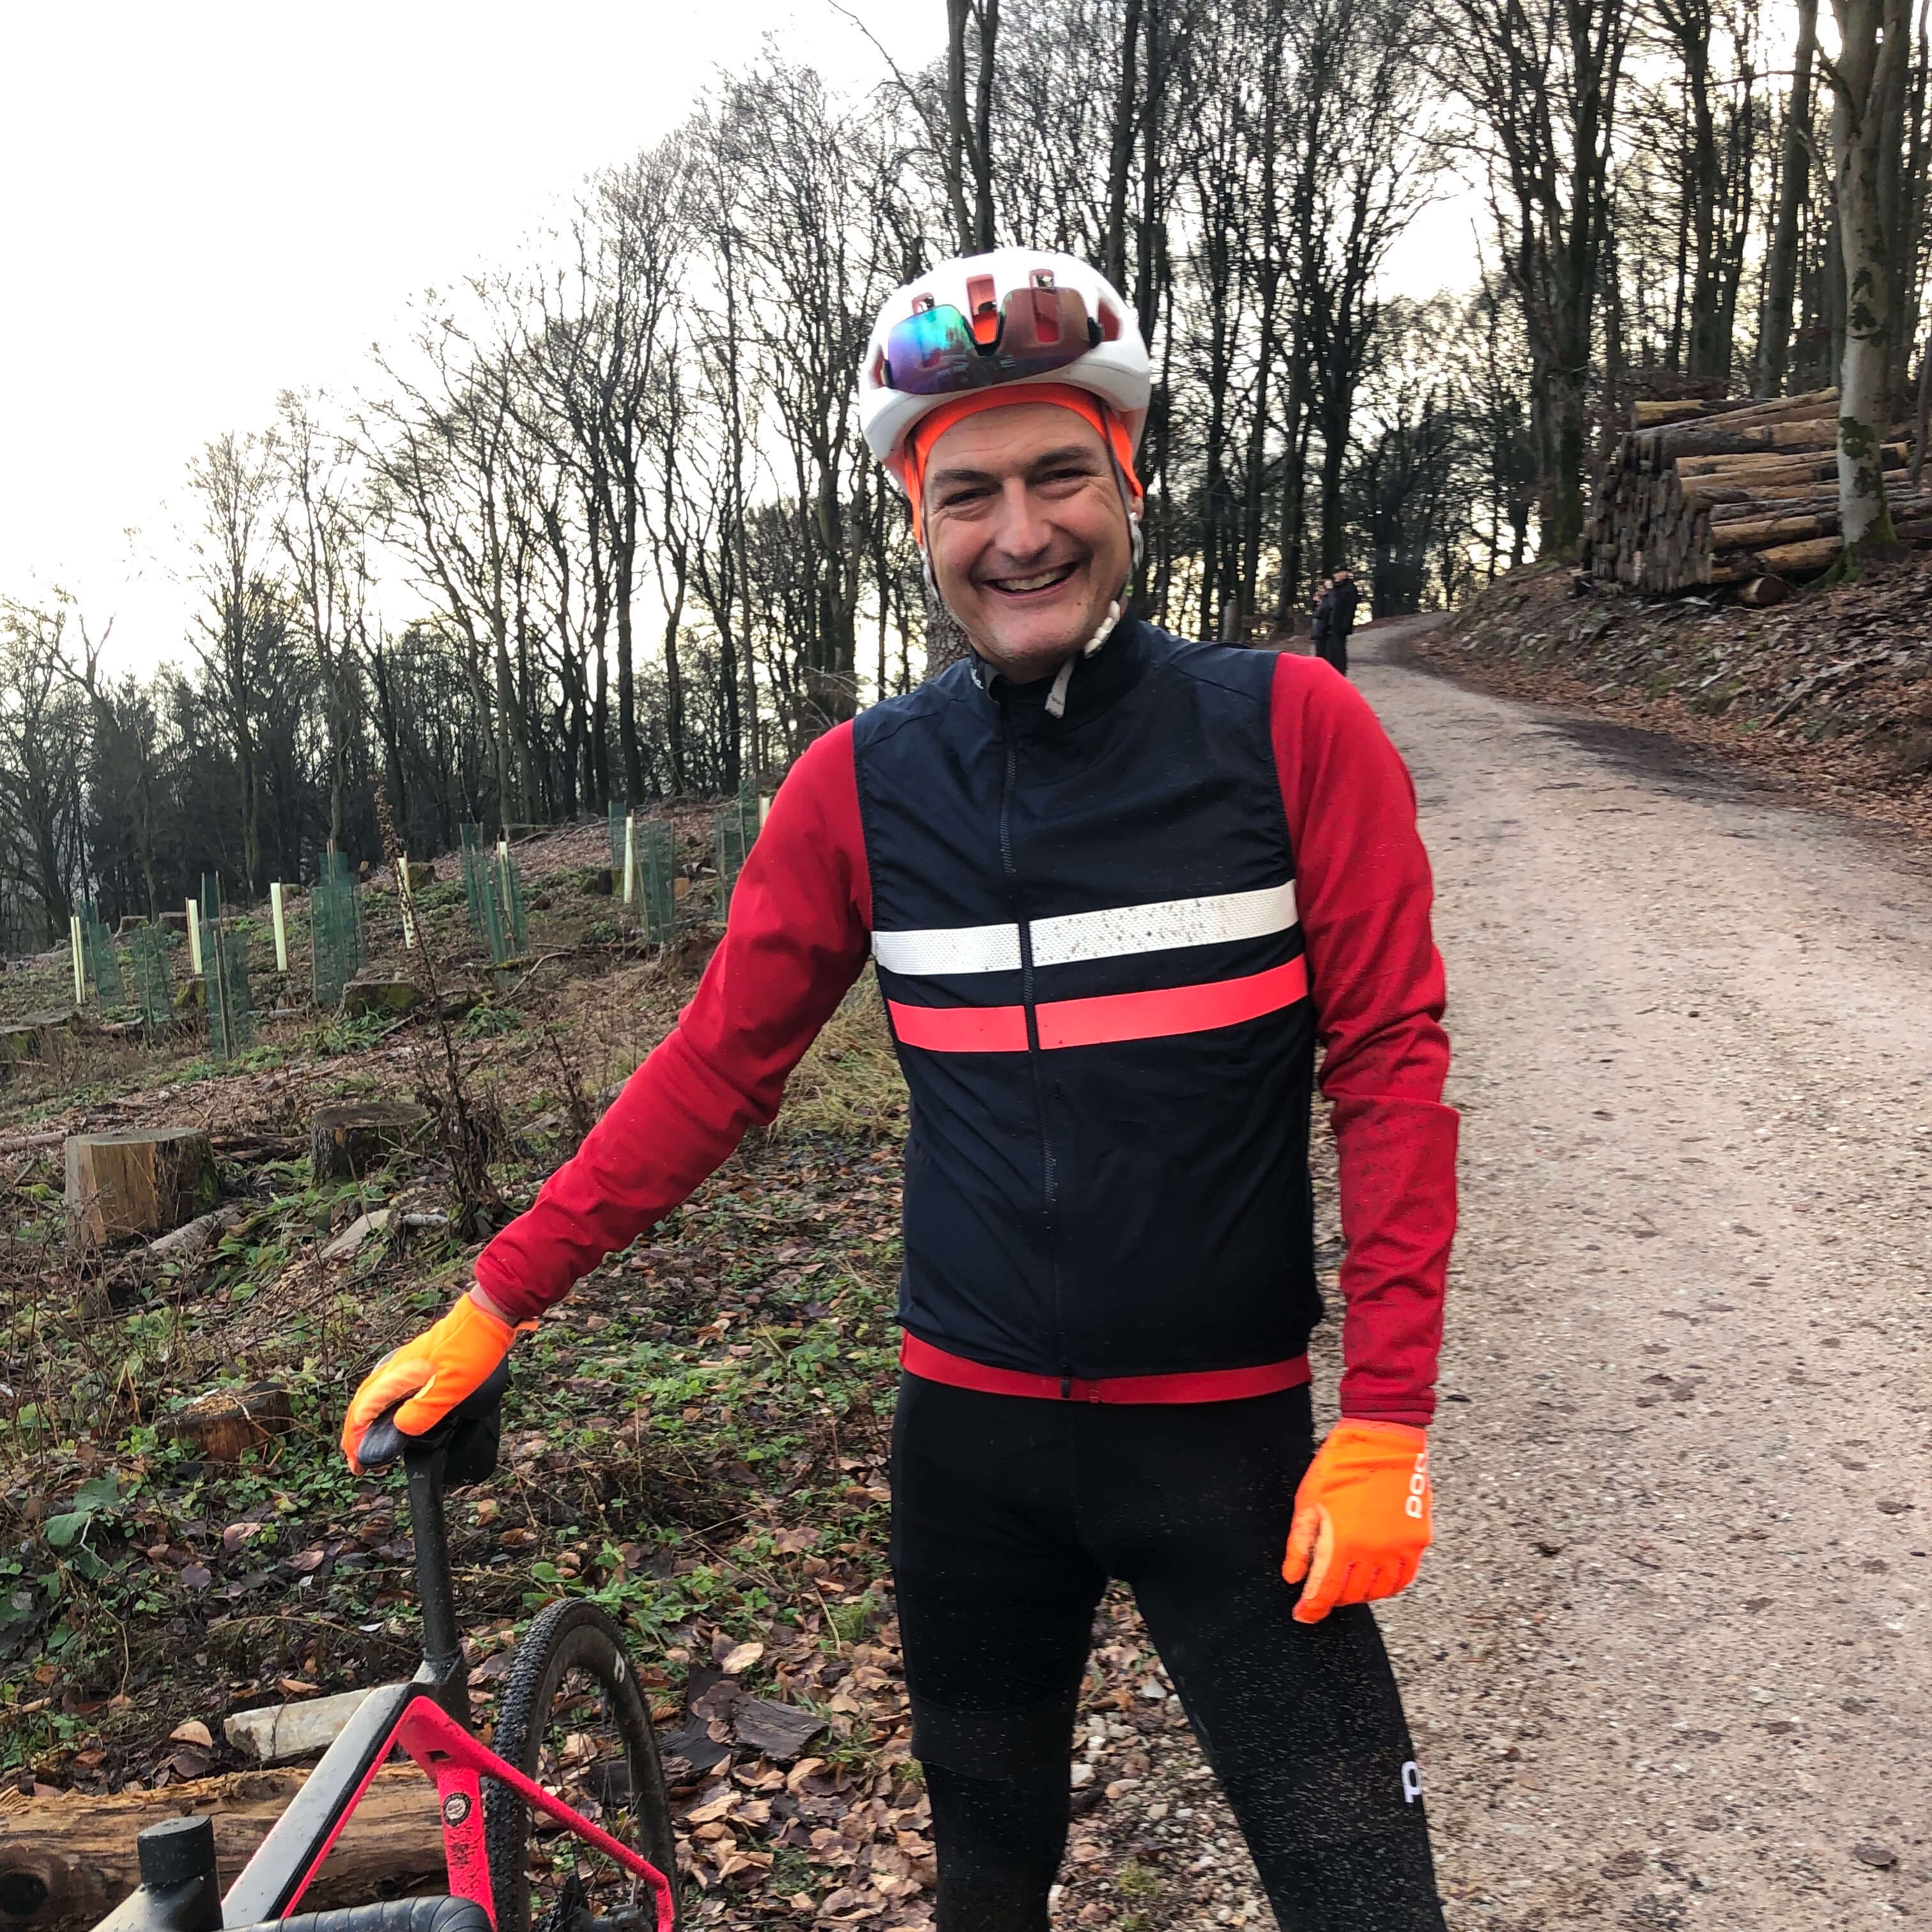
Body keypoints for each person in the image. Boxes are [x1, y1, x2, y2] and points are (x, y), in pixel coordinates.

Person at [342, 249, 1457, 1932]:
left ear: (1129, 478)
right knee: (986, 1891)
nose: (1021, 533)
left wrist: (1386, 1421)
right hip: (975, 1467)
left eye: (1061, 473)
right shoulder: (864, 790)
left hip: (1230, 1460)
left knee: (1372, 1901)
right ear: (914, 514)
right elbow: (719, 1063)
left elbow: (1389, 1069)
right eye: (971, 492)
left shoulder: (1291, 732)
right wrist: (498, 1299)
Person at [1323, 567, 1361, 677]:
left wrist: (1331, 590)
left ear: (1344, 574)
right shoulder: (1342, 588)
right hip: (1333, 625)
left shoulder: (1349, 588)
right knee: (1331, 651)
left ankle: (1340, 674)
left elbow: (1336, 603)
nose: (1335, 577)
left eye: (1338, 573)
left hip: (1341, 625)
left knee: (1338, 651)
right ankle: (1333, 674)